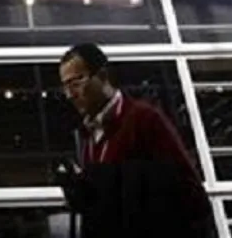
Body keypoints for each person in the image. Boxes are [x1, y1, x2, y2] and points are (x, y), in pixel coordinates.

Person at [56, 43, 213, 238]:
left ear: (103, 76)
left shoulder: (144, 119)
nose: (70, 94)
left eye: (76, 82)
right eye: (65, 86)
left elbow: (191, 196)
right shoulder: (88, 136)